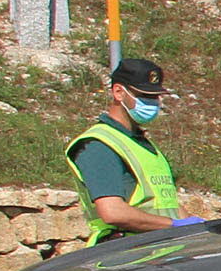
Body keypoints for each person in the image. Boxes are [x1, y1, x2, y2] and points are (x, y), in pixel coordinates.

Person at [66, 57, 197, 246]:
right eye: (143, 95)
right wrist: (173, 225)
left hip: (157, 250)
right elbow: (112, 212)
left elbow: (167, 203)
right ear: (118, 92)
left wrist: (194, 227)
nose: (152, 103)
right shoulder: (99, 145)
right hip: (124, 252)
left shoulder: (141, 144)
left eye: (155, 97)